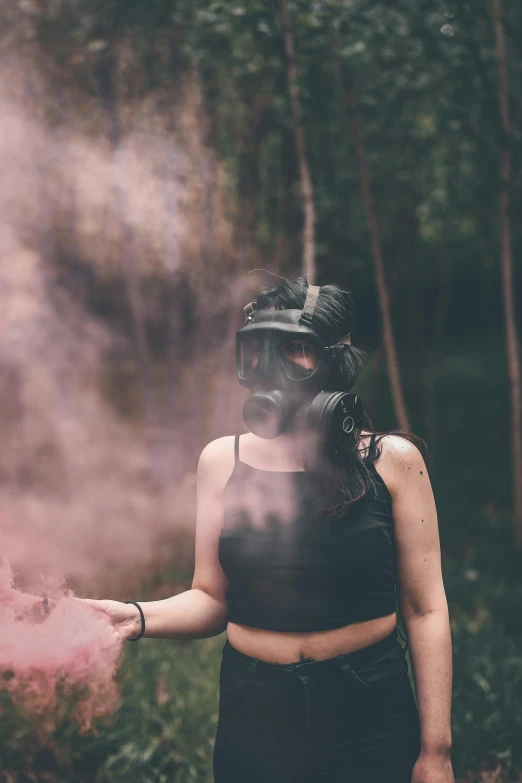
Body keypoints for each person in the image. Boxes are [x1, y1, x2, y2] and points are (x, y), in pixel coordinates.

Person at [83, 278, 454, 783]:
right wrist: (134, 617)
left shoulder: (391, 461)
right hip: (253, 711)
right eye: (261, 349)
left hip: (369, 708)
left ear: (333, 360)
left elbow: (425, 609)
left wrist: (436, 753)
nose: (274, 365)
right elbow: (211, 597)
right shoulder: (222, 459)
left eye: (297, 348)